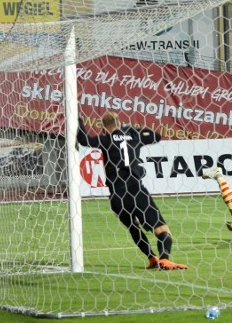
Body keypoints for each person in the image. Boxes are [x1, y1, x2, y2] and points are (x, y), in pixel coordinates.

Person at [76, 112, 186, 270]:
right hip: (136, 190)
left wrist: (78, 120)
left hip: (117, 195)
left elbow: (83, 140)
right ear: (119, 124)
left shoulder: (105, 139)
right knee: (162, 230)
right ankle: (164, 258)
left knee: (133, 227)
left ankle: (151, 257)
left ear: (104, 128)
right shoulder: (135, 136)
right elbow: (156, 136)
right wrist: (135, 130)